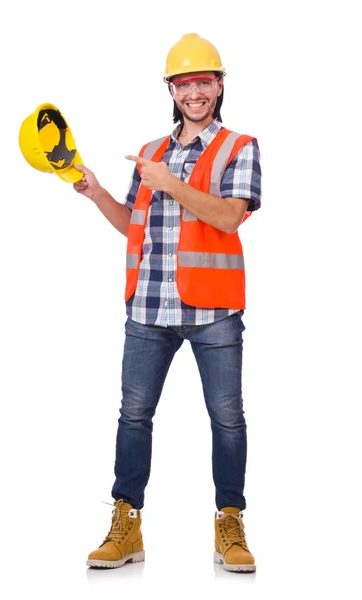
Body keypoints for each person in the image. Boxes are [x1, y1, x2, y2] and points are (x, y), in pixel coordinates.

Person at [73, 33, 261, 573]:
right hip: (149, 309)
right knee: (134, 415)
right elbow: (134, 226)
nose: (195, 93)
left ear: (219, 85)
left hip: (213, 312)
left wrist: (171, 185)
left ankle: (230, 523)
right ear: (172, 90)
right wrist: (99, 193)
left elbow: (229, 217)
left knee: (227, 418)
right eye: (185, 84)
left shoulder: (238, 147)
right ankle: (126, 523)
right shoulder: (152, 152)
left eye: (204, 82)